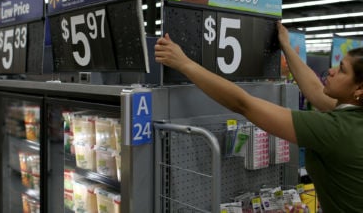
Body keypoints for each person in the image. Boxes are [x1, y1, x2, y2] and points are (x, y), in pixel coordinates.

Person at [154, 20, 363, 212]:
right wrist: (286, 47)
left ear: (359, 90)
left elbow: (244, 104)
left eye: (342, 70)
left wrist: (184, 64)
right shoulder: (353, 116)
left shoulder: (337, 129)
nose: (331, 71)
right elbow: (316, 91)